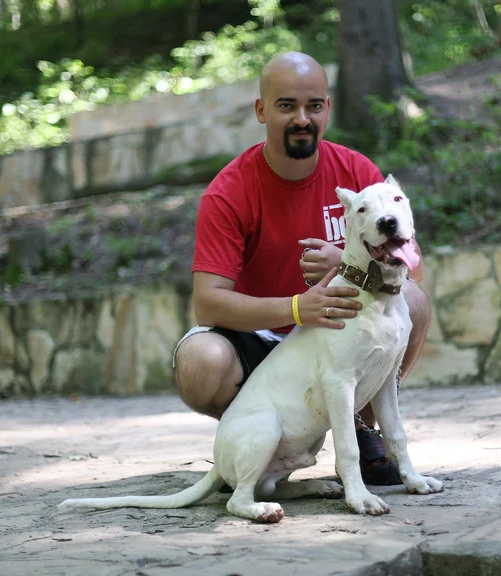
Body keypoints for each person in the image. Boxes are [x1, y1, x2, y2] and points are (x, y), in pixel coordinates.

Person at [172, 51, 431, 486]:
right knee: (200, 361)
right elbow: (207, 304)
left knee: (413, 300)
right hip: (263, 343)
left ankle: (366, 430)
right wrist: (296, 308)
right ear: (261, 110)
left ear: (327, 108)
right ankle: (269, 438)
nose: (302, 119)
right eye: (286, 106)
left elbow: (414, 263)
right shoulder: (228, 191)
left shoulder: (355, 170)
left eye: (313, 106)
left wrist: (348, 262)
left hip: (336, 337)